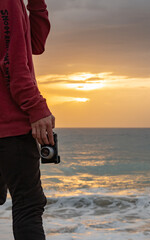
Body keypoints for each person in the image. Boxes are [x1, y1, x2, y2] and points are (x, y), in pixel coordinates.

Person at [0, 0, 54, 239]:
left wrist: (36, 5)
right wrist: (36, 107)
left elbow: (34, 44)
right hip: (9, 126)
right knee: (28, 205)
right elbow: (12, 63)